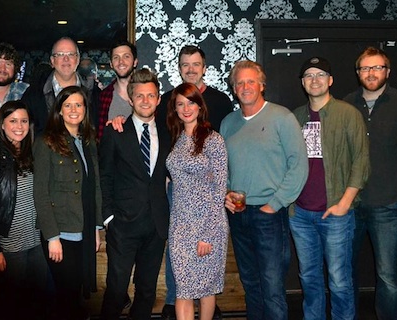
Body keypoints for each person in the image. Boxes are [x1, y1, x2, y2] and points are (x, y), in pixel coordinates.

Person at [220, 60, 308, 320]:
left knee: (272, 288)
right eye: (240, 83)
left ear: (262, 85)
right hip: (238, 215)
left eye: (250, 82)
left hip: (269, 215)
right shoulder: (228, 123)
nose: (245, 87)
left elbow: (299, 166)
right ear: (234, 89)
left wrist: (275, 204)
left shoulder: (282, 117)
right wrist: (226, 192)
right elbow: (223, 167)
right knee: (251, 285)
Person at [343, 47, 397, 320]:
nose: (371, 73)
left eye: (377, 67)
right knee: (345, 272)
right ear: (358, 73)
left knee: (387, 276)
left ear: (387, 72)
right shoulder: (346, 104)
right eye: (365, 68)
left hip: (389, 203)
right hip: (350, 204)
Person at [291, 57, 370, 320]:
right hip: (301, 215)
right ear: (303, 83)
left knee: (339, 280)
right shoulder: (296, 117)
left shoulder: (348, 114)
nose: (315, 79)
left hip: (335, 213)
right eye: (309, 75)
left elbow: (361, 160)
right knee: (309, 279)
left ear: (331, 80)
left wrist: (345, 203)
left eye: (321, 74)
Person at [158, 45, 233, 320]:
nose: (186, 108)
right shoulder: (177, 140)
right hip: (179, 224)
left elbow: (218, 190)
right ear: (174, 109)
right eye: (180, 104)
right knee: (182, 289)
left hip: (206, 225)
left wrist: (207, 234)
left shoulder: (213, 140)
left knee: (205, 289)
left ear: (200, 106)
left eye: (191, 103)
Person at [99, 68, 170, 319]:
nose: (145, 101)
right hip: (123, 225)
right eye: (139, 96)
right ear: (130, 99)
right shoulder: (114, 131)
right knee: (117, 290)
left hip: (156, 225)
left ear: (158, 99)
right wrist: (108, 218)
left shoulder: (169, 132)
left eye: (151, 96)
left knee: (147, 291)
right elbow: (104, 177)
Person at [0, 100, 49, 318]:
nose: (19, 126)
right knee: (12, 306)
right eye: (13, 120)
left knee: (37, 302)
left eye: (24, 120)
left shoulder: (33, 155)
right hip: (10, 247)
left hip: (36, 243)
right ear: (2, 125)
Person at [33, 86, 102, 320]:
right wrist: (52, 237)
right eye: (68, 105)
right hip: (60, 232)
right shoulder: (46, 141)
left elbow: (95, 187)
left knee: (76, 293)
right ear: (59, 110)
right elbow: (40, 192)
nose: (74, 110)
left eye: (79, 105)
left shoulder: (89, 139)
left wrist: (95, 228)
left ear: (85, 109)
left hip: (83, 228)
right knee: (65, 294)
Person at [22, 36, 98, 136]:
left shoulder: (93, 92)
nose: (66, 59)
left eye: (70, 54)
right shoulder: (34, 93)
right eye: (60, 54)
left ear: (78, 59)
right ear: (52, 61)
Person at [96, 40, 138, 140]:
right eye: (116, 57)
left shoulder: (147, 97)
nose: (121, 61)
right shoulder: (102, 98)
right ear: (111, 64)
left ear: (135, 62)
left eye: (126, 56)